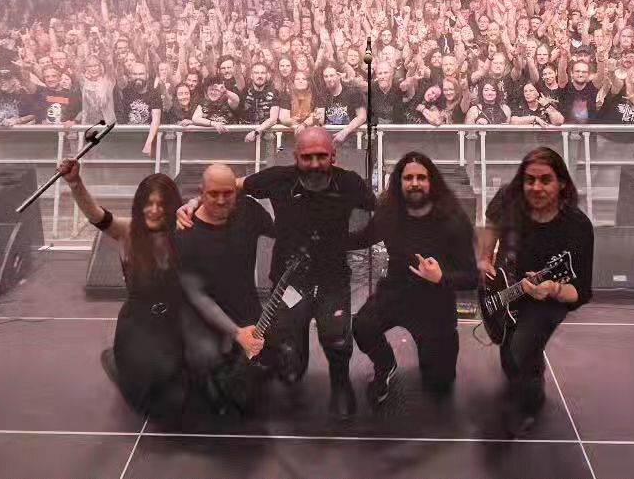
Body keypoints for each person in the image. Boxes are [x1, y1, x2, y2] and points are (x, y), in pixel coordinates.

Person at [177, 126, 374, 420]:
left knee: (337, 339)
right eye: (308, 157)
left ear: (334, 156)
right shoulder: (277, 179)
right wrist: (194, 202)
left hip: (333, 277)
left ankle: (340, 383)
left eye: (322, 156)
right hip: (288, 280)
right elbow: (235, 184)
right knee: (289, 353)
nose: (316, 164)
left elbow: (380, 208)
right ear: (296, 157)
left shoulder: (351, 184)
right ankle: (295, 368)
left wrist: (355, 241)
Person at [58, 156, 191, 421]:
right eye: (148, 203)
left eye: (161, 204)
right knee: (147, 401)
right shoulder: (126, 232)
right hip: (138, 324)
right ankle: (119, 361)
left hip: (172, 324)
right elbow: (95, 214)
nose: (154, 210)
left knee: (182, 395)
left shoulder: (183, 234)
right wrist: (75, 183)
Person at [477, 147, 594, 437]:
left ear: (562, 183)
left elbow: (580, 291)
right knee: (507, 348)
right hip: (506, 286)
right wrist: (484, 258)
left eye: (545, 180)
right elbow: (491, 225)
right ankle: (524, 379)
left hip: (549, 295)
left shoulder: (577, 227)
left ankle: (530, 404)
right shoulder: (508, 198)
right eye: (530, 180)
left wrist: (553, 287)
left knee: (521, 349)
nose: (536, 187)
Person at [350, 151, 477, 405]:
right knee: (362, 326)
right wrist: (324, 236)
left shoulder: (452, 219)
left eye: (421, 177)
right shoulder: (389, 213)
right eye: (409, 178)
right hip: (396, 293)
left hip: (435, 303)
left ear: (431, 182)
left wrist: (441, 277)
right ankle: (386, 364)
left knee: (440, 384)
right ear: (399, 182)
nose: (415, 183)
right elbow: (363, 237)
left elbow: (471, 278)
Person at [173, 164, 275, 408]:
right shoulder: (185, 233)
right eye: (212, 194)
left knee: (276, 358)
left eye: (227, 193)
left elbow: (283, 229)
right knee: (207, 359)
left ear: (237, 192)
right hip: (200, 315)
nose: (220, 200)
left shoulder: (249, 212)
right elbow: (197, 296)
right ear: (202, 192)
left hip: (244, 305)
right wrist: (236, 332)